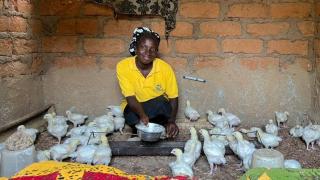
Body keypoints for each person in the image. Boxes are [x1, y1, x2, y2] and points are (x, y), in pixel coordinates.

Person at [116, 27, 179, 138]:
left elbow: (173, 98)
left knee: (162, 104)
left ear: (156, 52)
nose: (147, 52)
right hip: (135, 107)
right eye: (143, 47)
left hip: (156, 107)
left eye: (152, 49)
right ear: (135, 48)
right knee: (130, 115)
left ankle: (154, 126)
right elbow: (130, 97)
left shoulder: (165, 68)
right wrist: (143, 116)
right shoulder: (123, 66)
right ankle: (144, 126)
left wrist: (171, 121)